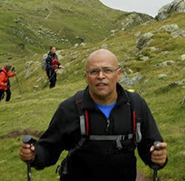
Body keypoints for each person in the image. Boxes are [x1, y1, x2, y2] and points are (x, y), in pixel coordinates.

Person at [20, 48, 168, 181]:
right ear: (86, 77)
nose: (101, 76)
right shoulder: (69, 109)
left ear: (119, 74)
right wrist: (34, 154)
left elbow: (151, 146)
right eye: (94, 71)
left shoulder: (136, 105)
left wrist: (159, 157)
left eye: (107, 70)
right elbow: (48, 150)